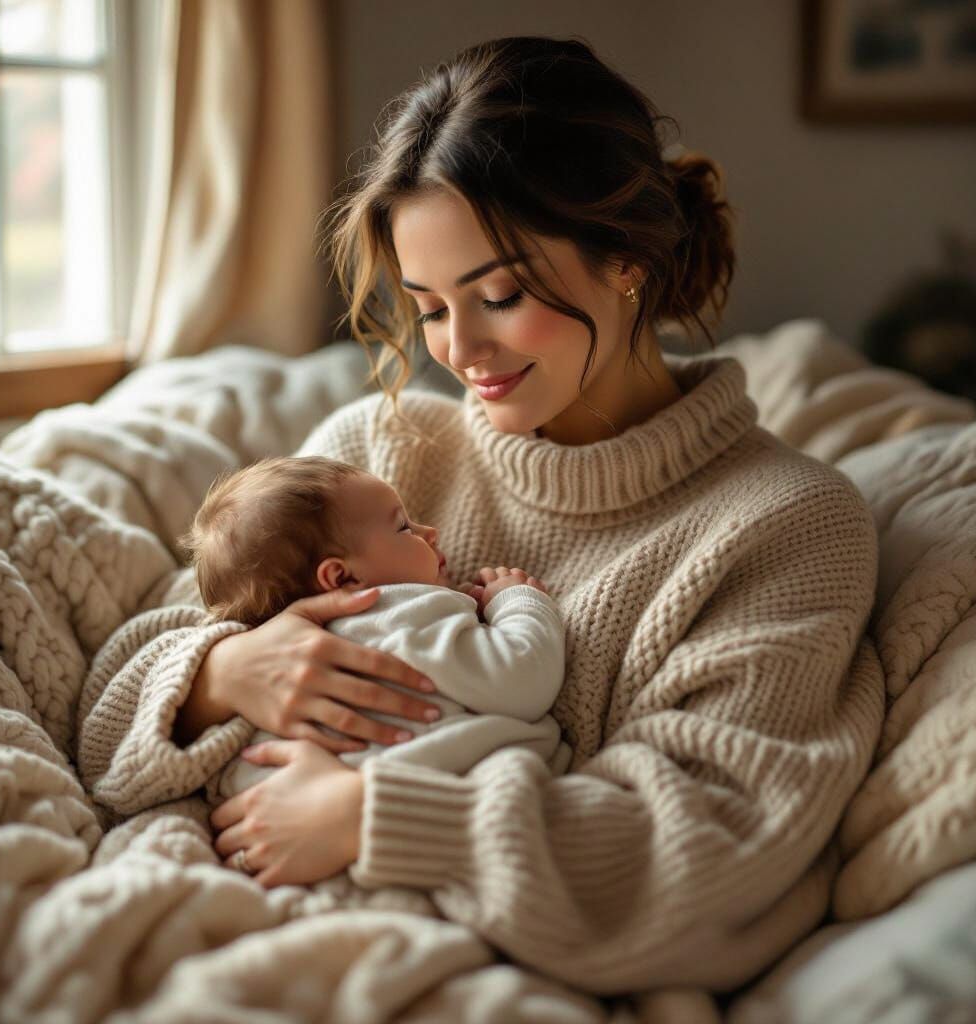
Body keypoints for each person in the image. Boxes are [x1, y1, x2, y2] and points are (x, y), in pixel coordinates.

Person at [77, 35, 884, 994]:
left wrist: (379, 816)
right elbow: (107, 722)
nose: (461, 351)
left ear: (625, 259)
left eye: (498, 296)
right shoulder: (373, 458)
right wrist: (224, 672)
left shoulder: (788, 526)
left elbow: (708, 850)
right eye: (427, 307)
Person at [179, 454, 569, 811]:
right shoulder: (406, 610)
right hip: (439, 808)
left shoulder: (269, 672)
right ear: (342, 576)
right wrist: (516, 600)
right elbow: (523, 679)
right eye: (403, 527)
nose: (429, 531)